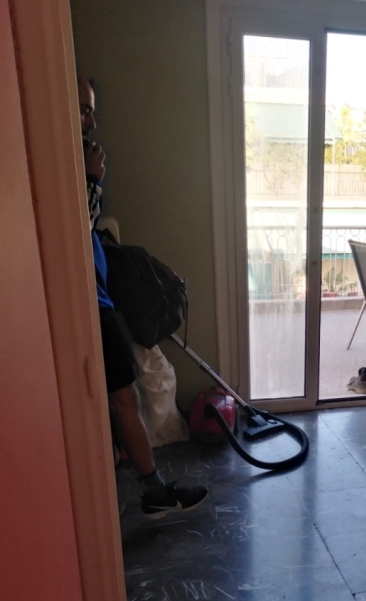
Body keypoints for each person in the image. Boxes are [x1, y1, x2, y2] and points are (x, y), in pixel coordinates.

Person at [77, 76, 208, 519]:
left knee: (124, 397)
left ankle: (140, 479)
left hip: (100, 297)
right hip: (91, 304)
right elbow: (75, 228)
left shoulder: (75, 161)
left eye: (91, 110)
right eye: (83, 110)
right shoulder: (69, 166)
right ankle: (153, 491)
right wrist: (92, 181)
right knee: (123, 398)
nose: (92, 121)